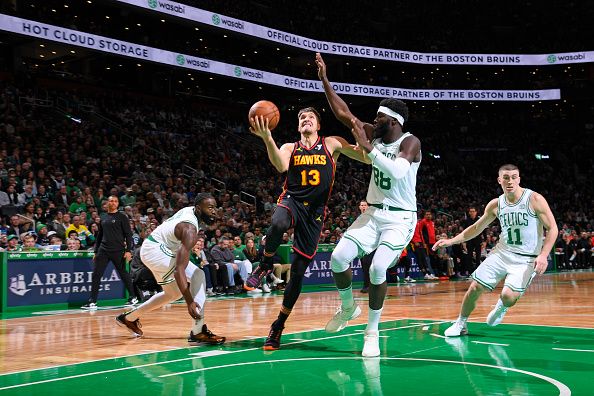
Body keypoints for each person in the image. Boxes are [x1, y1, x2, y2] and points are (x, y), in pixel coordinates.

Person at [316, 52, 421, 357]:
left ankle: (372, 332)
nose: (373, 122)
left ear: (394, 121)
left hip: (400, 219)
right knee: (338, 258)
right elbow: (344, 114)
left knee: (377, 268)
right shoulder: (376, 136)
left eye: (379, 119)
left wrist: (368, 151)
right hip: (374, 213)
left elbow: (399, 170)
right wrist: (324, 79)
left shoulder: (410, 143)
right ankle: (349, 309)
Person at [244, 95, 368, 350]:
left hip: (315, 215)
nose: (306, 120)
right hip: (292, 201)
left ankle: (278, 324)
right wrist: (268, 138)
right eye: (302, 118)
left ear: (318, 125)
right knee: (278, 223)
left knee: (297, 275)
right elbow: (279, 165)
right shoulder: (291, 147)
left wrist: (365, 140)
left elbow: (365, 158)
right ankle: (265, 264)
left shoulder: (332, 144)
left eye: (310, 117)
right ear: (298, 126)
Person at [432, 164, 558, 336]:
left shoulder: (534, 199)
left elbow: (553, 228)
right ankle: (461, 323)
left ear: (519, 179)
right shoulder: (495, 204)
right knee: (475, 287)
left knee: (508, 296)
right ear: (499, 180)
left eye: (514, 177)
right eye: (506, 177)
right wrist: (451, 241)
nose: (510, 181)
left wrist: (543, 255)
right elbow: (476, 228)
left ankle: (502, 305)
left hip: (526, 259)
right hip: (502, 253)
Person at [114, 193, 225, 345]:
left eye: (215, 207)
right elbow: (179, 270)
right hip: (156, 250)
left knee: (173, 293)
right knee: (198, 275)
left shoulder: (191, 211)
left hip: (153, 247)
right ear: (198, 209)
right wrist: (190, 302)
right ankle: (198, 331)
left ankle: (128, 318)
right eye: (210, 207)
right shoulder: (190, 229)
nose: (214, 211)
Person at [81, 195, 138, 310]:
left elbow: (128, 235)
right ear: (107, 203)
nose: (113, 203)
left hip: (118, 250)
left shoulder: (122, 217)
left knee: (123, 273)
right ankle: (92, 301)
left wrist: (128, 251)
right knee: (96, 274)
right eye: (111, 201)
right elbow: (100, 235)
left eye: (115, 201)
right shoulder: (103, 217)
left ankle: (133, 297)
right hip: (103, 250)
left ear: (117, 204)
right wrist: (96, 251)